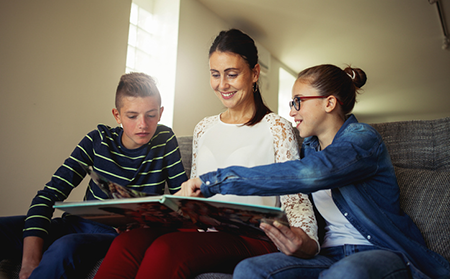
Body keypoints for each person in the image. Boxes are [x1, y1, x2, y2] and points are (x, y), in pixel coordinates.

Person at [177, 64, 450, 279]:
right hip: (328, 254)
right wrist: (301, 241)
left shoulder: (363, 140)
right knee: (250, 271)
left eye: (298, 101)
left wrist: (215, 180)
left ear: (329, 103)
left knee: (345, 274)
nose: (292, 111)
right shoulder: (308, 148)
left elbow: (311, 173)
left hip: (379, 252)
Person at [93, 29, 318, 279]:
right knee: (129, 242)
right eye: (215, 74)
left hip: (251, 237)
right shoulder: (204, 128)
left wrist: (307, 241)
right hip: (204, 230)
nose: (222, 84)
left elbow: (296, 198)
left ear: (254, 73)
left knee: (166, 249)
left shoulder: (276, 127)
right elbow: (194, 198)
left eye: (232, 74)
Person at [0, 73, 188, 279]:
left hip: (113, 235)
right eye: (132, 116)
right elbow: (47, 196)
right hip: (76, 223)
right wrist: (29, 263)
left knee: (66, 245)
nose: (142, 124)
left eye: (150, 115)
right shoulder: (98, 140)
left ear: (160, 113)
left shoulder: (165, 140)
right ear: (117, 115)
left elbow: (182, 202)